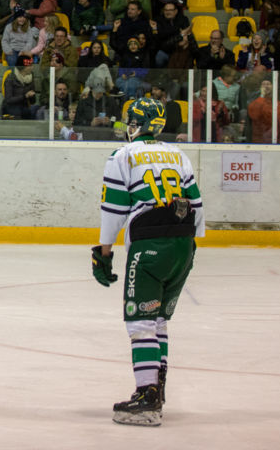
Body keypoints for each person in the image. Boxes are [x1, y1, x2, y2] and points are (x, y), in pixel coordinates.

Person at [92, 97, 205, 427]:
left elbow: (113, 210)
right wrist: (186, 244)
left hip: (149, 243)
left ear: (136, 124)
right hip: (184, 245)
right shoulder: (178, 154)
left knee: (140, 322)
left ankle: (147, 396)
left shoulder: (123, 156)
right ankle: (158, 386)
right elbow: (196, 204)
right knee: (157, 319)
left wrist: (104, 251)